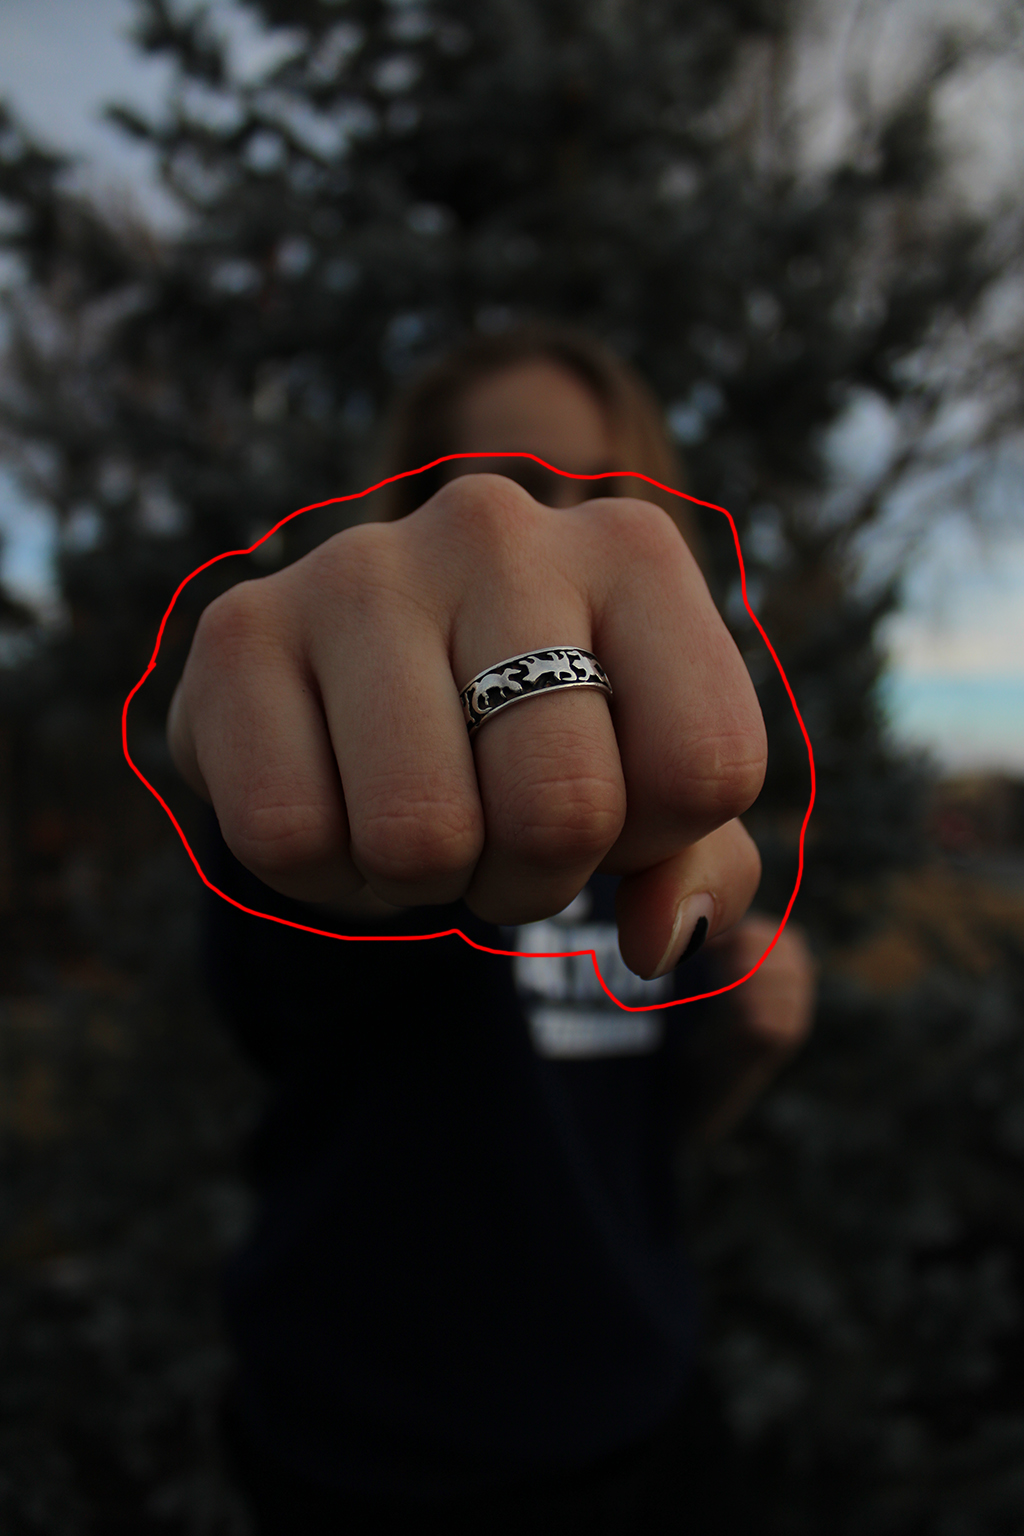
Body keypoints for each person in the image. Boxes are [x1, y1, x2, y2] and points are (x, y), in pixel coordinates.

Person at [168, 322, 816, 1534]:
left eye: (598, 489)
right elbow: (285, 977)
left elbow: (639, 1130)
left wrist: (745, 1044)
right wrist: (316, 776)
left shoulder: (669, 808)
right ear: (415, 507)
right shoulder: (342, 771)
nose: (535, 525)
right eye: (507, 481)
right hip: (368, 1451)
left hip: (643, 1418)